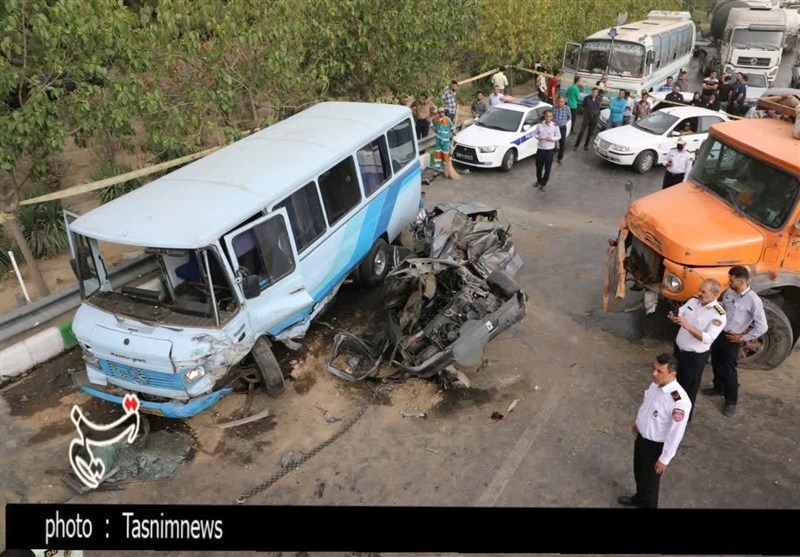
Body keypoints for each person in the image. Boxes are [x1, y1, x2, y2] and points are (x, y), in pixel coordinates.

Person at [617, 353, 691, 509]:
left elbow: (676, 433)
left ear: (673, 374)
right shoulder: (655, 384)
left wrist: (664, 459)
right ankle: (639, 498)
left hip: (656, 447)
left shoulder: (679, 401)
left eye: (659, 371)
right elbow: (647, 406)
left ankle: (647, 504)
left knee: (650, 485)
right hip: (642, 438)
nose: (654, 373)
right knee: (639, 473)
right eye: (654, 368)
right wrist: (638, 422)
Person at [705, 266, 768, 417]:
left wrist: (742, 337)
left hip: (733, 338)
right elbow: (724, 308)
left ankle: (731, 401)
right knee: (716, 361)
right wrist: (712, 303)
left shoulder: (754, 300)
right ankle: (718, 387)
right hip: (719, 332)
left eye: (731, 280)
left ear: (740, 281)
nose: (729, 282)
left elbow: (762, 326)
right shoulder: (729, 293)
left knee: (729, 370)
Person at [668, 279, 726, 417]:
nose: (699, 293)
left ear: (715, 294)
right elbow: (681, 313)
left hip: (694, 358)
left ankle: (682, 418)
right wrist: (673, 317)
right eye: (699, 290)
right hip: (679, 352)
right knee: (673, 383)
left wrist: (687, 326)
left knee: (688, 388)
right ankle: (672, 408)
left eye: (703, 292)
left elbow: (708, 338)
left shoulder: (718, 315)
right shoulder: (694, 301)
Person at [532, 109, 561, 191]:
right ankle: (538, 180)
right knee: (538, 166)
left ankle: (544, 183)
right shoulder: (540, 125)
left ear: (552, 117)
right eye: (546, 116)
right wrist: (538, 137)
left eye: (549, 116)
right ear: (544, 117)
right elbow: (535, 134)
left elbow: (559, 136)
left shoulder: (555, 126)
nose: (548, 118)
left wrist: (551, 138)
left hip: (549, 150)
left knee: (547, 168)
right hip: (540, 149)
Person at [550, 96, 571, 164]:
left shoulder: (567, 109)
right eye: (559, 101)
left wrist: (563, 122)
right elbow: (551, 116)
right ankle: (550, 157)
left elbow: (569, 117)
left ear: (564, 102)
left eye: (562, 101)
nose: (560, 103)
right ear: (557, 101)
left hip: (562, 127)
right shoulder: (554, 108)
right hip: (554, 127)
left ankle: (560, 158)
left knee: (562, 142)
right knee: (552, 141)